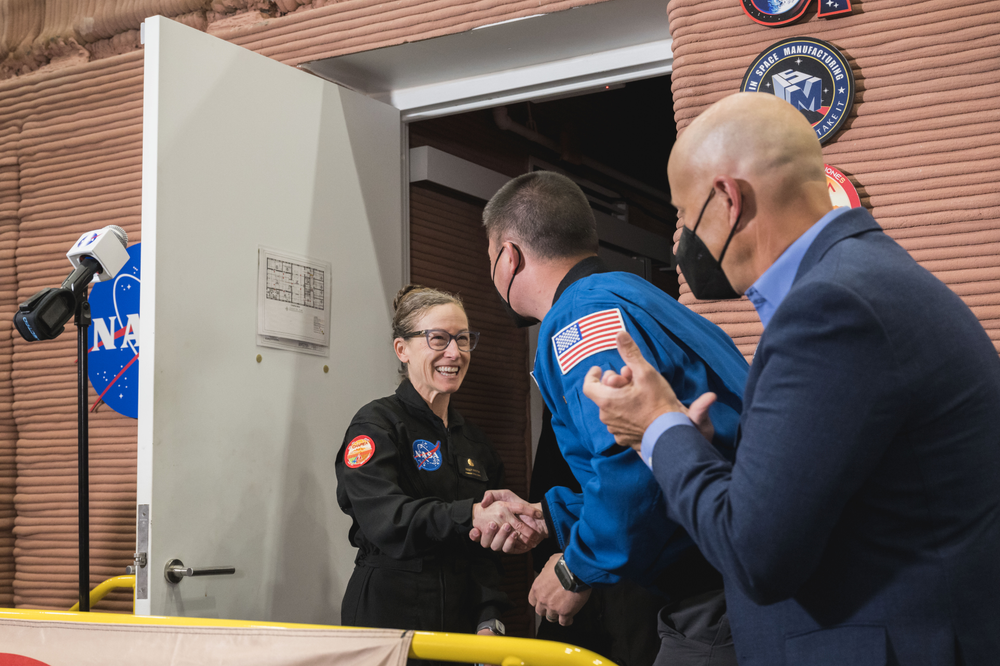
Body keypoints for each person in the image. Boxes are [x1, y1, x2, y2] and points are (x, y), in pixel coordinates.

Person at [582, 92, 1000, 665]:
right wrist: (694, 445)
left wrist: (657, 427)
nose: (681, 244)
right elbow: (833, 498)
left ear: (727, 200)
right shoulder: (867, 279)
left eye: (683, 216)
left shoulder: (830, 310)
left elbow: (757, 555)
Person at [473, 171, 750, 665]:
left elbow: (636, 460)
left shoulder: (581, 316)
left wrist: (575, 571)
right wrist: (550, 516)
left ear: (508, 256)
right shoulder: (635, 295)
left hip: (716, 587)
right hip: (736, 566)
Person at [335, 284, 542, 650]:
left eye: (463, 339)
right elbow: (386, 518)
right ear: (403, 349)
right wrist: (471, 514)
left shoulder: (476, 443)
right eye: (438, 339)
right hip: (389, 618)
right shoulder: (377, 425)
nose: (455, 352)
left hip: (462, 628)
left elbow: (487, 556)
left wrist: (489, 616)